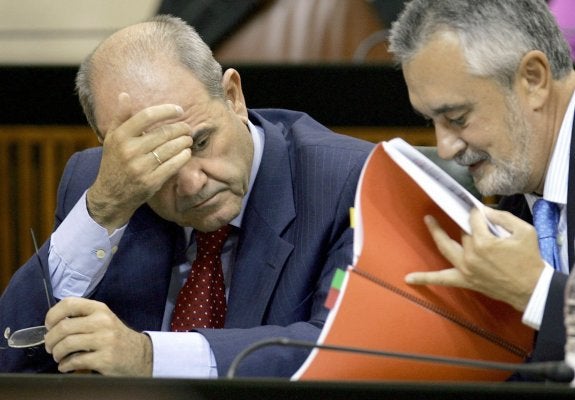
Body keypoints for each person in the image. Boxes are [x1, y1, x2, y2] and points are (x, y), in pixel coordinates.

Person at [0, 15, 374, 377]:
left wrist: (148, 358)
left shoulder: (345, 180)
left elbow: (344, 350)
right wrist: (103, 210)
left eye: (201, 142)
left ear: (233, 96)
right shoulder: (100, 186)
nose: (193, 183)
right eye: (157, 161)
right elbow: (11, 358)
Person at [388, 0, 575, 378]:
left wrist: (536, 291)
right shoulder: (518, 201)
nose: (446, 148)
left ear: (534, 79)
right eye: (432, 122)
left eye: (458, 118)